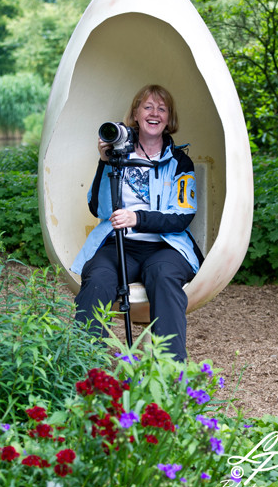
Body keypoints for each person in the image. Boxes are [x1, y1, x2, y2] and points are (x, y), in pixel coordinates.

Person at [71, 84, 203, 361]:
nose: (155, 113)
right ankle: (83, 368)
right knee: (97, 279)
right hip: (120, 244)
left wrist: (137, 218)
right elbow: (99, 208)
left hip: (166, 246)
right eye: (148, 107)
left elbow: (182, 216)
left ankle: (170, 373)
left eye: (162, 108)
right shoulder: (118, 156)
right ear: (135, 113)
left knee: (164, 276)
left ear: (169, 118)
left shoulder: (179, 162)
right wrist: (106, 161)